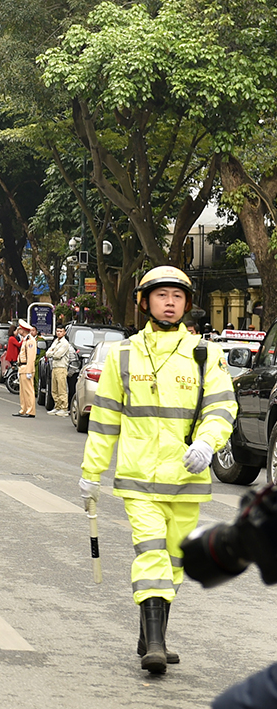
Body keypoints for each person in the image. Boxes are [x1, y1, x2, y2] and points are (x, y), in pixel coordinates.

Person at [79, 265, 236, 675]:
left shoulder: (206, 354)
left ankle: (151, 632)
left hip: (187, 482)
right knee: (150, 555)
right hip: (140, 480)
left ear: (187, 303)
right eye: (162, 295)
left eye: (178, 296)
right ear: (145, 302)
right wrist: (91, 473)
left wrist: (207, 442)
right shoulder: (123, 354)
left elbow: (221, 408)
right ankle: (156, 643)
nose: (170, 303)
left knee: (175, 565)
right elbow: (105, 420)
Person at [46, 325, 73, 417]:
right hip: (54, 366)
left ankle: (64, 408)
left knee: (62, 389)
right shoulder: (55, 341)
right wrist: (52, 352)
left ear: (64, 332)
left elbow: (58, 355)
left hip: (61, 367)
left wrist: (52, 353)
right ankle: (57, 406)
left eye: (61, 331)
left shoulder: (65, 343)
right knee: (54, 389)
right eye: (57, 331)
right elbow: (47, 353)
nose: (59, 333)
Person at [13, 320, 37, 418]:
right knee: (22, 391)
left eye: (20, 329)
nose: (18, 331)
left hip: (27, 367)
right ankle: (23, 409)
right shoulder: (25, 340)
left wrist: (29, 370)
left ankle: (30, 410)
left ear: (23, 330)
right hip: (22, 366)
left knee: (28, 390)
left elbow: (31, 357)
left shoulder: (30, 340)